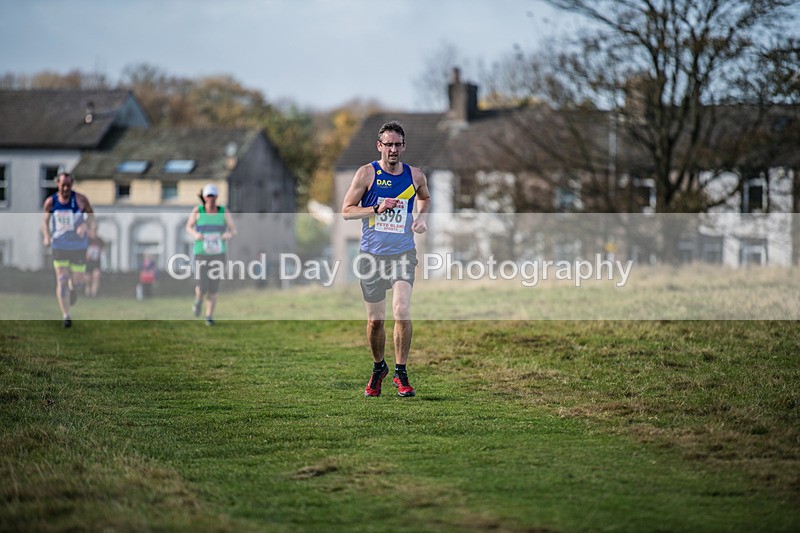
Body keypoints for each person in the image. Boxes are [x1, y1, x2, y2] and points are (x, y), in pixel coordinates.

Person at [341, 120, 431, 397]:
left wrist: (420, 218)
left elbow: (425, 198)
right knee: (375, 322)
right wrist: (376, 208)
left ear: (404, 146)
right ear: (379, 146)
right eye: (388, 144)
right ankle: (379, 367)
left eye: (397, 144)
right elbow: (346, 210)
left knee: (401, 311)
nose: (393, 149)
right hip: (371, 256)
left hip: (403, 252)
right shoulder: (366, 174)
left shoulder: (415, 175)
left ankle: (401, 372)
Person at [41, 172, 95, 328]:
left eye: (68, 185)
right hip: (59, 246)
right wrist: (46, 236)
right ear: (57, 184)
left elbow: (91, 217)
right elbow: (44, 222)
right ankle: (66, 315)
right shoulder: (51, 202)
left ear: (72, 185)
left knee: (77, 282)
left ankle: (73, 289)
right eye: (62, 185)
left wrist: (86, 226)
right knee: (62, 279)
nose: (65, 188)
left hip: (78, 246)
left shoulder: (80, 200)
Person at [185, 184, 236, 326]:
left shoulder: (223, 212)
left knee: (214, 286)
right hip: (201, 252)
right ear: (204, 197)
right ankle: (198, 301)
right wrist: (196, 234)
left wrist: (228, 234)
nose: (211, 199)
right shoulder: (198, 211)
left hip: (218, 253)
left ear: (217, 197)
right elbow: (188, 227)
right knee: (203, 285)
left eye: (213, 196)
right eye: (208, 196)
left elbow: (233, 230)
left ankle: (209, 316)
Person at [84, 222, 105, 298]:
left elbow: (103, 250)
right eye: (93, 229)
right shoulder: (86, 240)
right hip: (87, 262)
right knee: (87, 279)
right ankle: (87, 292)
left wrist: (101, 253)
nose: (94, 231)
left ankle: (93, 294)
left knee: (96, 276)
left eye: (96, 229)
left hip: (96, 262)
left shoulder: (100, 240)